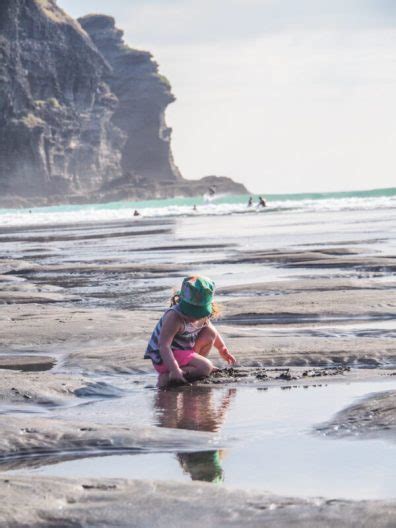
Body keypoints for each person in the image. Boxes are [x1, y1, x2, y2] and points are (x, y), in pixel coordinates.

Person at [144, 275, 236, 388]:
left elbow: (213, 333)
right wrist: (174, 369)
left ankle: (195, 368)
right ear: (181, 300)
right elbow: (163, 346)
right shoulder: (174, 317)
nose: (194, 315)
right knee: (206, 367)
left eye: (198, 312)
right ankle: (168, 376)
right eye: (190, 310)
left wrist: (222, 349)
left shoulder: (203, 315)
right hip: (165, 357)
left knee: (209, 332)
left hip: (184, 352)